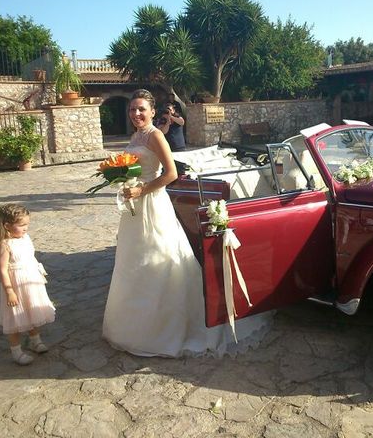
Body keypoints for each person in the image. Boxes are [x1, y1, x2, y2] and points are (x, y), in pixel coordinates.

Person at [102, 89, 272, 357]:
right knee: (133, 260)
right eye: (132, 109)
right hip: (135, 208)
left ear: (152, 111)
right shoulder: (135, 136)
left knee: (160, 258)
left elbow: (170, 174)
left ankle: (167, 327)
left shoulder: (156, 135)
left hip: (153, 204)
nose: (136, 114)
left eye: (141, 109)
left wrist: (142, 190)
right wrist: (124, 183)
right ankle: (136, 325)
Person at [0, 204, 55, 365]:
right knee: (16, 318)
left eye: (27, 224)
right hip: (16, 285)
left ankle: (36, 340)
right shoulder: (5, 245)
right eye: (21, 225)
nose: (25, 228)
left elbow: (30, 257)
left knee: (31, 311)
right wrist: (9, 291)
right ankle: (16, 351)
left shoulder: (25, 238)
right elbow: (2, 270)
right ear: (7, 225)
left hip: (29, 282)